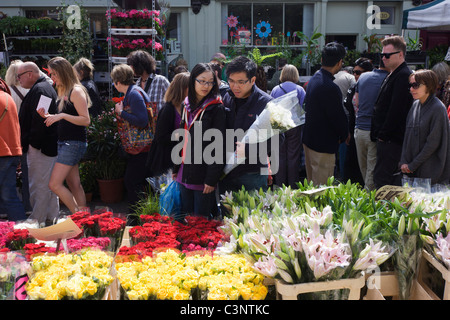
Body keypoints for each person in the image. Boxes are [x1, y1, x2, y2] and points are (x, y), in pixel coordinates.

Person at [38, 57, 91, 217]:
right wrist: (50, 115)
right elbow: (67, 116)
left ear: (63, 72)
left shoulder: (75, 90)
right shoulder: (64, 89)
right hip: (68, 143)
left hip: (72, 144)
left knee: (54, 184)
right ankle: (86, 222)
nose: (52, 78)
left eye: (54, 74)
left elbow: (86, 120)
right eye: (51, 74)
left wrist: (61, 116)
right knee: (74, 184)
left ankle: (78, 218)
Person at [172, 63, 226, 218]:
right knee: (184, 219)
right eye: (202, 81)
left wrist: (211, 179)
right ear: (192, 80)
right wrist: (176, 168)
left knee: (200, 223)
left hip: (202, 176)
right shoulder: (186, 104)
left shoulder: (216, 108)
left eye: (210, 82)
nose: (206, 86)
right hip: (184, 172)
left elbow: (219, 146)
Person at [219, 56, 274, 194]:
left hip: (252, 173)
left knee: (252, 213)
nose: (235, 86)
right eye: (231, 81)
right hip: (226, 171)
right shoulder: (227, 97)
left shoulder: (266, 103)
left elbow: (278, 139)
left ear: (253, 80)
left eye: (241, 82)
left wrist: (249, 150)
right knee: (227, 213)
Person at [302, 42, 350, 186]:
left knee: (312, 184)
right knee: (321, 189)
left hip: (310, 140)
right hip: (323, 144)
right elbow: (337, 116)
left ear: (322, 60)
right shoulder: (330, 87)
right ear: (340, 62)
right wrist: (344, 134)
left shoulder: (314, 79)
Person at [17, 61, 59, 224]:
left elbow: (40, 121)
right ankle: (48, 218)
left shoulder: (41, 90)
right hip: (44, 146)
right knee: (47, 185)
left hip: (41, 148)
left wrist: (33, 144)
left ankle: (38, 220)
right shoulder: (42, 88)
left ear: (29, 74)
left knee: (40, 185)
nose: (18, 80)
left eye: (19, 76)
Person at [371, 36, 414, 188]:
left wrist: (384, 135)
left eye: (387, 55)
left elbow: (397, 109)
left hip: (392, 140)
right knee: (381, 178)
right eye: (382, 55)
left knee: (384, 180)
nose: (383, 58)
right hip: (387, 139)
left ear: (400, 54)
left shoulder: (403, 75)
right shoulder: (394, 73)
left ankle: (384, 210)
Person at [111, 64, 150, 226]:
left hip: (141, 147)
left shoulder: (133, 94)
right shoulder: (135, 92)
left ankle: (136, 218)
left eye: (114, 80)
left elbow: (142, 120)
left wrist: (121, 113)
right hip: (141, 146)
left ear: (118, 81)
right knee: (137, 181)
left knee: (131, 181)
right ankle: (142, 215)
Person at [400, 69, 450, 185]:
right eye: (410, 85)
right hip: (411, 171)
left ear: (429, 85)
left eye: (415, 85)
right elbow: (407, 136)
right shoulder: (415, 105)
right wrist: (403, 161)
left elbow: (432, 143)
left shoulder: (438, 108)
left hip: (430, 173)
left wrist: (412, 165)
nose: (411, 89)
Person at [146, 72, 190, 178]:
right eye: (190, 87)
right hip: (166, 162)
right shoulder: (168, 109)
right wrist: (182, 134)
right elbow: (160, 136)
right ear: (182, 88)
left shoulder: (186, 106)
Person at [353, 60, 389, 190]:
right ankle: (368, 201)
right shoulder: (389, 79)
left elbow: (357, 103)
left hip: (359, 129)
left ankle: (367, 196)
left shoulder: (363, 77)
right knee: (371, 170)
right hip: (373, 131)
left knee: (365, 169)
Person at [270, 64, 306, 188]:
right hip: (294, 125)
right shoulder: (300, 89)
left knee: (280, 156)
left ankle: (280, 186)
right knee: (293, 156)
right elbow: (302, 108)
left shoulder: (275, 89)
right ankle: (293, 187)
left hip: (279, 125)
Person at [5, 60, 32, 213]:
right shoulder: (29, 90)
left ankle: (7, 209)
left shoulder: (6, 93)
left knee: (8, 176)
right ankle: (28, 206)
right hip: (26, 136)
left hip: (10, 138)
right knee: (27, 175)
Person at [342, 57, 373, 185]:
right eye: (354, 72)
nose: (355, 75)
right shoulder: (354, 86)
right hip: (354, 128)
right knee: (352, 163)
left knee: (367, 166)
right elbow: (348, 106)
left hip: (367, 130)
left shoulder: (372, 87)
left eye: (358, 72)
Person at [0, 85, 27, 221]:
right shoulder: (7, 97)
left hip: (2, 152)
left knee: (9, 196)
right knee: (10, 196)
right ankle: (22, 234)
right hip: (12, 152)